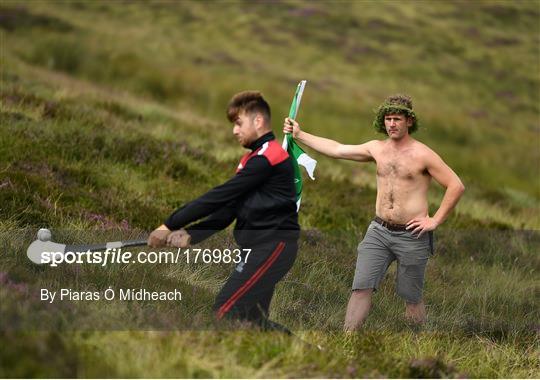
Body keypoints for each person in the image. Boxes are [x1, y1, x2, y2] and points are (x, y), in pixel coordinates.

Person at [283, 94, 465, 331]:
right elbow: (337, 149)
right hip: (379, 231)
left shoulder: (423, 154)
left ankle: (417, 345)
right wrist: (300, 134)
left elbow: (456, 185)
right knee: (361, 286)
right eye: (388, 119)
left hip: (412, 234)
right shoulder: (376, 149)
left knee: (411, 296)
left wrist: (435, 220)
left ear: (409, 121)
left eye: (397, 119)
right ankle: (348, 340)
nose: (392, 124)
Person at [148, 91, 299, 332]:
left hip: (273, 246)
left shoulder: (269, 156)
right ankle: (308, 355)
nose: (234, 131)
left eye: (239, 123)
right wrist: (191, 234)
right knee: (251, 321)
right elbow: (228, 211)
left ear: (258, 121)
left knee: (225, 312)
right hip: (258, 247)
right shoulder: (252, 159)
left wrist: (169, 224)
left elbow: (220, 196)